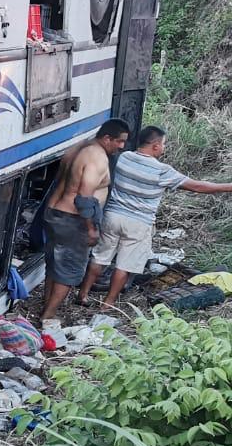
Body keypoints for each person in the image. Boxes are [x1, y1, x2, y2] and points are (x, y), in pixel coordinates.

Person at [79, 125, 232, 306]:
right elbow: (199, 186)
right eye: (164, 144)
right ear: (156, 145)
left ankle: (83, 295)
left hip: (112, 216)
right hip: (139, 223)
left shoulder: (124, 158)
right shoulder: (162, 171)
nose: (164, 148)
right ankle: (108, 304)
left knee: (100, 257)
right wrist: (228, 187)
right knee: (124, 266)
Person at [41, 118, 130, 321]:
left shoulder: (79, 147)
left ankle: (46, 308)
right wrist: (91, 228)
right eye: (119, 141)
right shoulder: (97, 158)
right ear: (107, 138)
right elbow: (84, 197)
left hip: (54, 213)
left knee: (55, 265)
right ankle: (48, 316)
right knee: (69, 270)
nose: (121, 146)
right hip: (73, 220)